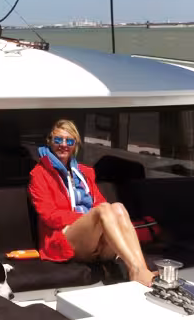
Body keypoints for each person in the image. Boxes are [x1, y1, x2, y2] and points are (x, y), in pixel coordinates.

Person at [28, 120, 156, 286]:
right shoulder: (39, 174)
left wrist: (94, 218)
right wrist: (87, 217)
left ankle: (142, 268)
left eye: (69, 141)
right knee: (103, 210)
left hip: (93, 242)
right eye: (58, 140)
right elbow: (50, 216)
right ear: (50, 141)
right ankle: (134, 269)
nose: (63, 145)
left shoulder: (84, 173)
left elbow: (101, 203)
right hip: (63, 237)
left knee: (118, 207)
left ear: (75, 145)